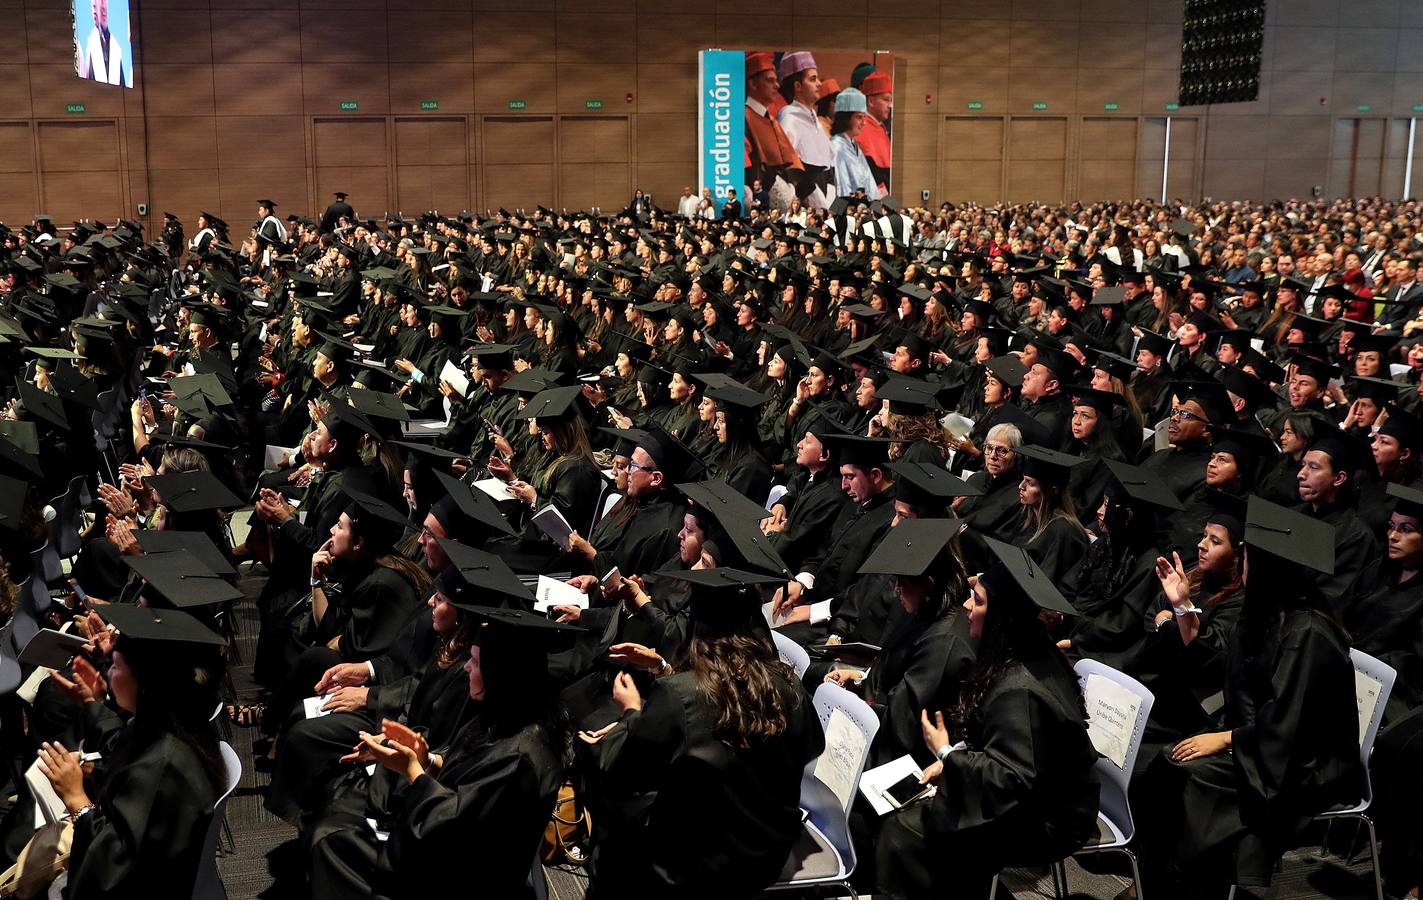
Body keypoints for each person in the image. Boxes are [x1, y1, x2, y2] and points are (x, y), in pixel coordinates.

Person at [1137, 498, 1363, 897]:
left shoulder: (1308, 632)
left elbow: (1291, 725)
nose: (1242, 566)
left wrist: (1227, 740)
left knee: (1190, 777)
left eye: (1247, 558)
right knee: (1167, 762)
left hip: (1304, 763)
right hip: (1261, 740)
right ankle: (1158, 880)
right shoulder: (1265, 613)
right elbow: (1217, 664)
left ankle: (1186, 885)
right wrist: (1183, 606)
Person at [876, 537, 1099, 900]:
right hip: (1041, 790)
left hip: (1050, 817)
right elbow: (1007, 745)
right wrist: (958, 759)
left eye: (977, 600)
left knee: (905, 832)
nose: (966, 605)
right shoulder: (1027, 648)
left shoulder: (1019, 689)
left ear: (1001, 615)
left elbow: (1010, 779)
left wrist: (948, 754)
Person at [581, 567, 825, 899]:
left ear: (698, 627)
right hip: (764, 857)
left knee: (609, 785)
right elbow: (813, 747)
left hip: (694, 868)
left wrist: (631, 714)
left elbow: (625, 773)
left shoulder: (680, 694)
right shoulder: (788, 683)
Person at [308, 606, 577, 899]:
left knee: (332, 841)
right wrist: (428, 760)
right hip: (456, 848)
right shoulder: (508, 714)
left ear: (499, 672)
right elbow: (472, 779)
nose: (466, 667)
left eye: (475, 661)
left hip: (466, 877)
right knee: (336, 817)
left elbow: (453, 826)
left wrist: (413, 771)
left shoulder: (521, 756)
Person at [38, 605, 227, 898]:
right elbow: (125, 754)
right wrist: (92, 703)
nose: (108, 673)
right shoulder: (175, 721)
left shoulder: (164, 763)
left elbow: (111, 867)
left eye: (114, 665)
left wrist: (76, 798)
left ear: (145, 684)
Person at [830, 88, 881, 201]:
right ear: (845, 117)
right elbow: (842, 189)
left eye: (864, 117)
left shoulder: (854, 145)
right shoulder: (837, 147)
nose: (863, 123)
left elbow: (870, 184)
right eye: (859, 117)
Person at [80, 0, 129, 86]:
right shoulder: (91, 44)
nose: (100, 11)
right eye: (94, 7)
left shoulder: (115, 47)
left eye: (104, 9)